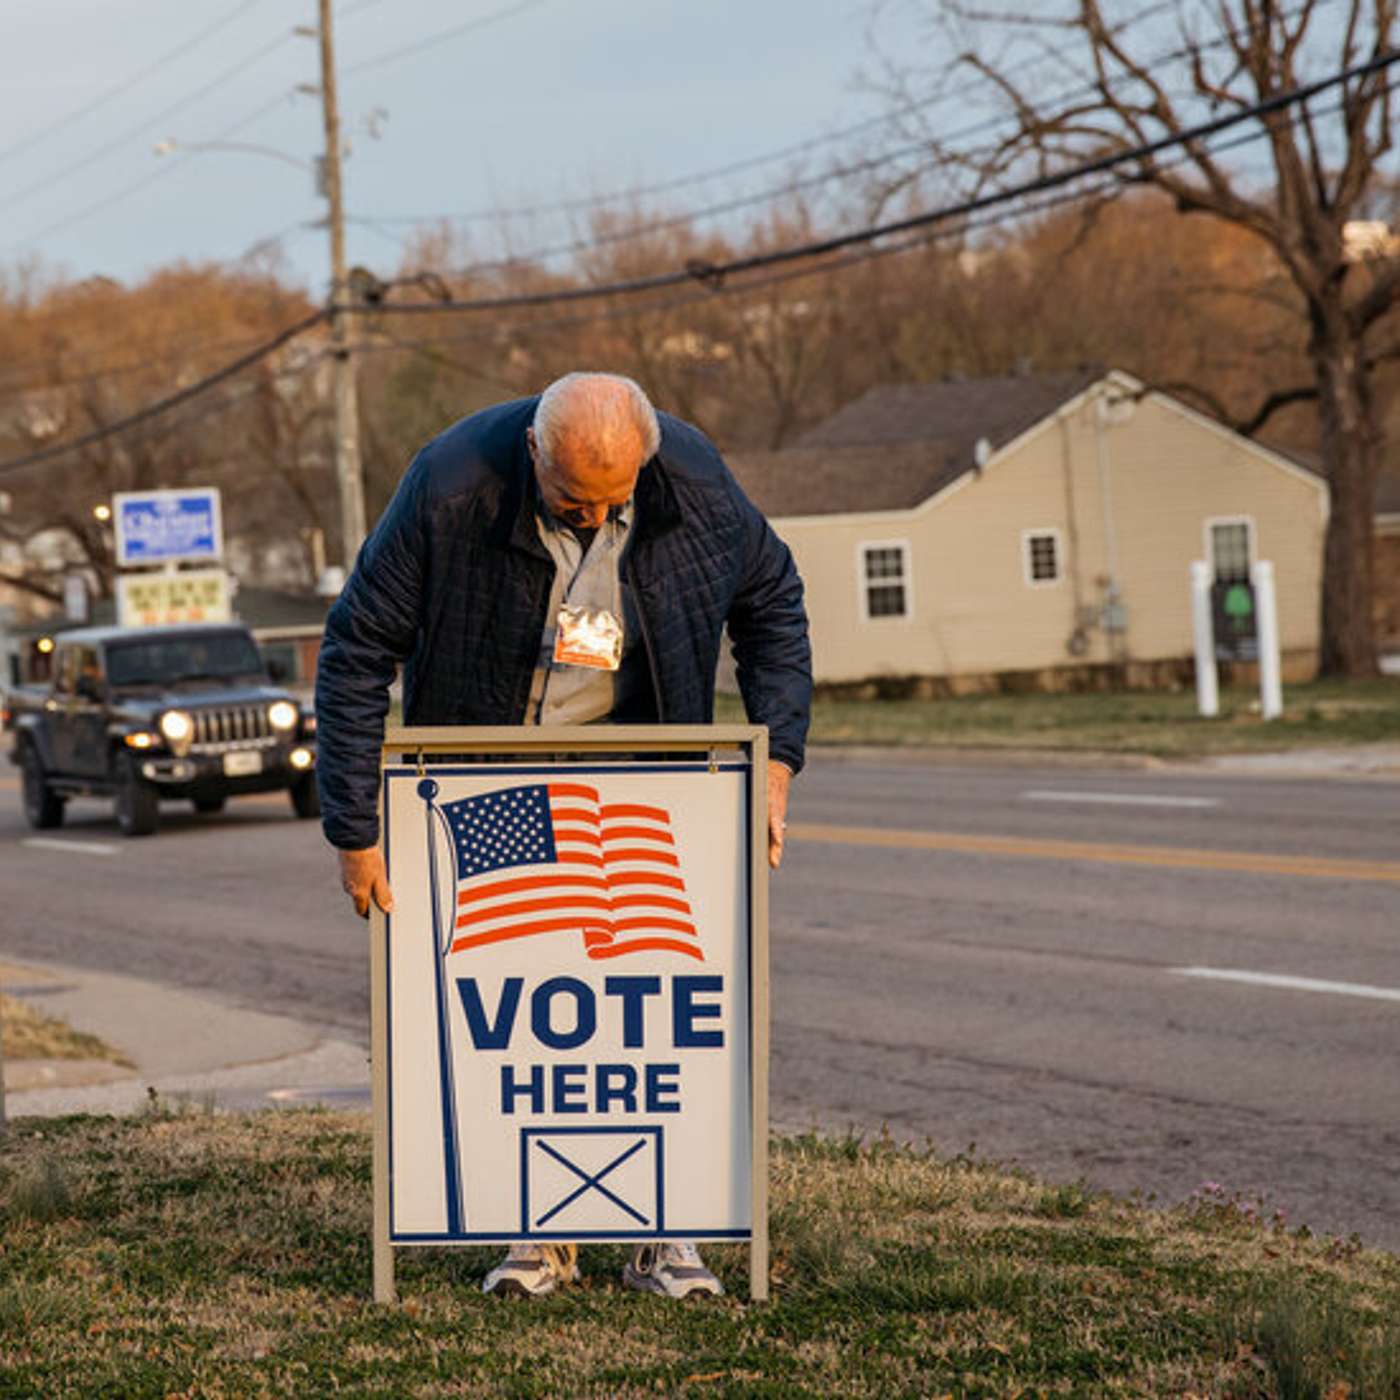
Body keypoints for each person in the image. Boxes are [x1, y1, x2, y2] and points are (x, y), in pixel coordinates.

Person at [315, 371, 812, 1299]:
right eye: (572, 498)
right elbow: (356, 648)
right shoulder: (450, 483)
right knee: (511, 1004)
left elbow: (773, 603)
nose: (592, 517)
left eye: (612, 500)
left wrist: (776, 757)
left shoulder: (697, 483)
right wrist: (355, 825)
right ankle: (534, 1233)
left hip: (650, 771)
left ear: (645, 463)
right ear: (533, 452)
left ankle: (667, 1232)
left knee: (655, 1010)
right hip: (493, 769)